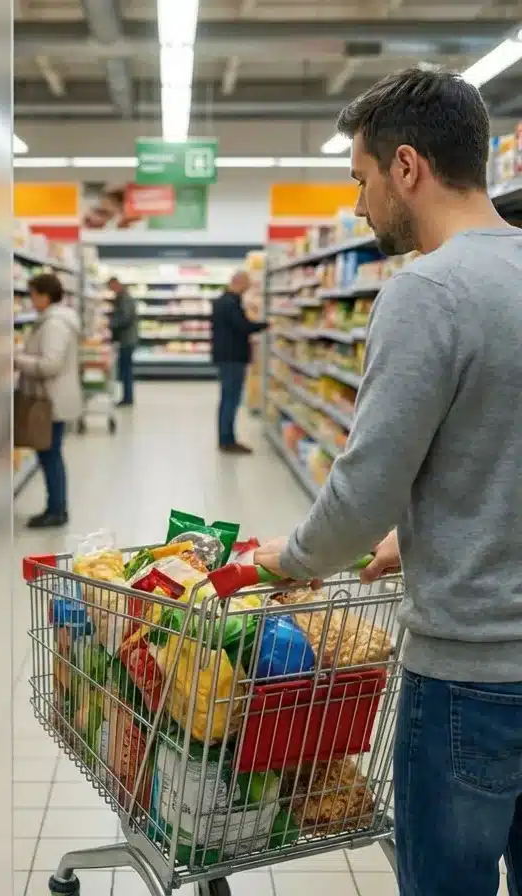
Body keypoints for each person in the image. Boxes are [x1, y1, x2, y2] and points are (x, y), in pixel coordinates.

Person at [252, 68, 522, 896]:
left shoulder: (427, 293)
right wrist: (421, 535)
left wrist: (287, 560)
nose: (361, 208)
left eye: (362, 181)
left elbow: (363, 490)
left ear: (408, 168)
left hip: (472, 676)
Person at [15, 272, 81, 529]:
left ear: (44, 295)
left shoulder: (54, 324)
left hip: (50, 400)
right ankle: (56, 507)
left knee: (50, 455)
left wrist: (17, 360)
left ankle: (56, 509)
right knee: (49, 454)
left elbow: (51, 364)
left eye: (32, 295)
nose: (31, 300)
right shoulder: (55, 319)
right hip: (51, 398)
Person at [210, 270, 266, 454]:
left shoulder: (222, 301)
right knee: (231, 399)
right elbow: (243, 327)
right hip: (232, 357)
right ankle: (227, 440)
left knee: (227, 398)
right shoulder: (230, 303)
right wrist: (265, 324)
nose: (249, 287)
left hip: (225, 356)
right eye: (247, 283)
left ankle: (225, 438)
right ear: (239, 282)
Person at [107, 276, 138, 406]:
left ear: (116, 284)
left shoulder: (124, 298)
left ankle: (127, 398)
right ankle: (127, 397)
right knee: (126, 369)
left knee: (125, 369)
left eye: (111, 287)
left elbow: (125, 318)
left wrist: (111, 323)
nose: (111, 290)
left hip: (127, 339)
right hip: (127, 338)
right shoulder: (123, 296)